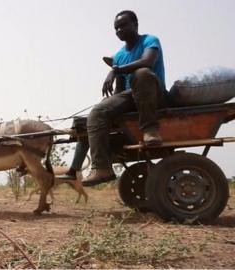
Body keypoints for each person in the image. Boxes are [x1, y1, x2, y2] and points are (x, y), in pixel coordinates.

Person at [60, 10, 168, 186]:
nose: (119, 30)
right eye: (116, 28)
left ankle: (150, 130)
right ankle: (102, 168)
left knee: (141, 74)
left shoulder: (149, 40)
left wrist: (115, 70)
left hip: (153, 94)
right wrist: (108, 104)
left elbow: (147, 62)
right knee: (97, 112)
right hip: (131, 98)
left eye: (123, 25)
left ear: (136, 24)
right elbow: (119, 90)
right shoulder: (118, 56)